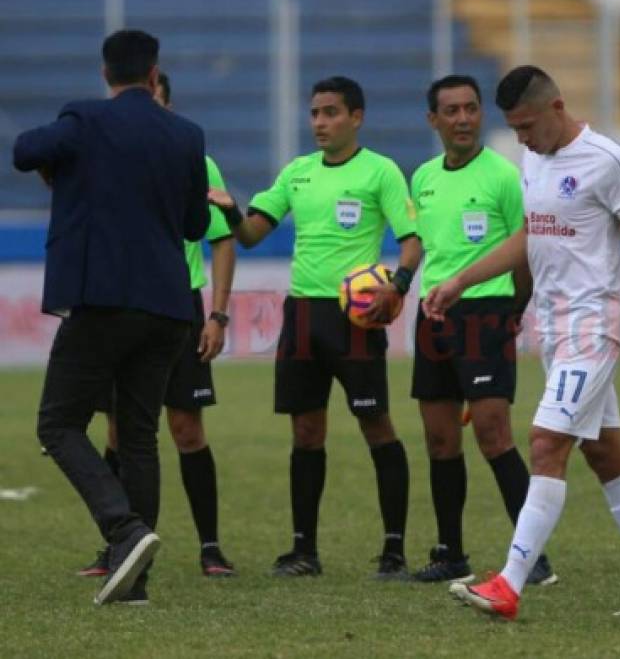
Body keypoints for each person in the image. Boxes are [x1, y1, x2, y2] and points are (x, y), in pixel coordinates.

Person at [426, 65, 620, 620]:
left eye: (528, 126)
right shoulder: (535, 157)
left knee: (544, 442)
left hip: (591, 329)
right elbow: (532, 237)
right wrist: (464, 280)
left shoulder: (609, 161)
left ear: (557, 107)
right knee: (606, 455)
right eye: (516, 129)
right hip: (552, 331)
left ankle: (508, 585)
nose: (523, 139)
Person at [13, 29, 210, 605]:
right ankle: (134, 582)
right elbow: (196, 226)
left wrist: (64, 165)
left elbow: (25, 150)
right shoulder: (186, 133)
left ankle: (123, 529)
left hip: (104, 299)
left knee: (58, 423)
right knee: (141, 435)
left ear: (105, 74)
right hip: (171, 306)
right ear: (155, 76)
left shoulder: (84, 118)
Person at [207, 76, 422, 579]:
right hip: (303, 316)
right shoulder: (297, 173)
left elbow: (411, 241)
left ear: (356, 117)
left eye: (331, 113)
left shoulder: (381, 172)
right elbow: (252, 235)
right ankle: (304, 550)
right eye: (315, 113)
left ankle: (393, 551)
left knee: (377, 427)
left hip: (356, 318)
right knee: (306, 432)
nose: (320, 122)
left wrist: (400, 284)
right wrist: (231, 210)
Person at [76, 72, 237, 584]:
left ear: (165, 104)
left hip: (178, 305)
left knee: (186, 429)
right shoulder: (108, 157)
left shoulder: (195, 158)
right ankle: (116, 545)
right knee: (120, 430)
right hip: (121, 302)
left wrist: (217, 312)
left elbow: (222, 240)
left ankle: (211, 548)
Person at [408, 74, 555, 586]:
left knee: (494, 436)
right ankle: (451, 554)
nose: (464, 118)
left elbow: (527, 251)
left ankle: (533, 557)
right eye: (452, 111)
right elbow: (432, 250)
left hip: (487, 315)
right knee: (440, 440)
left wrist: (512, 314)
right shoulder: (422, 178)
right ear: (435, 120)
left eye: (471, 108)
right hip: (433, 318)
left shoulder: (504, 177)